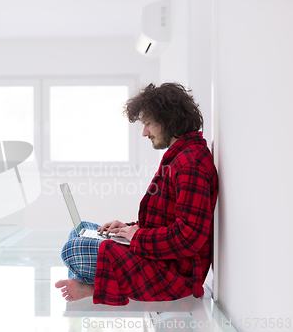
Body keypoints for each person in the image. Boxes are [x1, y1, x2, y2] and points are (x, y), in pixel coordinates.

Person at [55, 82, 218, 305]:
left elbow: (189, 237)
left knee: (72, 250)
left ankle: (93, 287)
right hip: (160, 258)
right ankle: (93, 286)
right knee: (81, 231)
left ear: (169, 121)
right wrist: (130, 229)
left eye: (148, 124)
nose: (144, 132)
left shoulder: (189, 164)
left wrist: (135, 236)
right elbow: (167, 221)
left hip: (175, 274)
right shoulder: (180, 157)